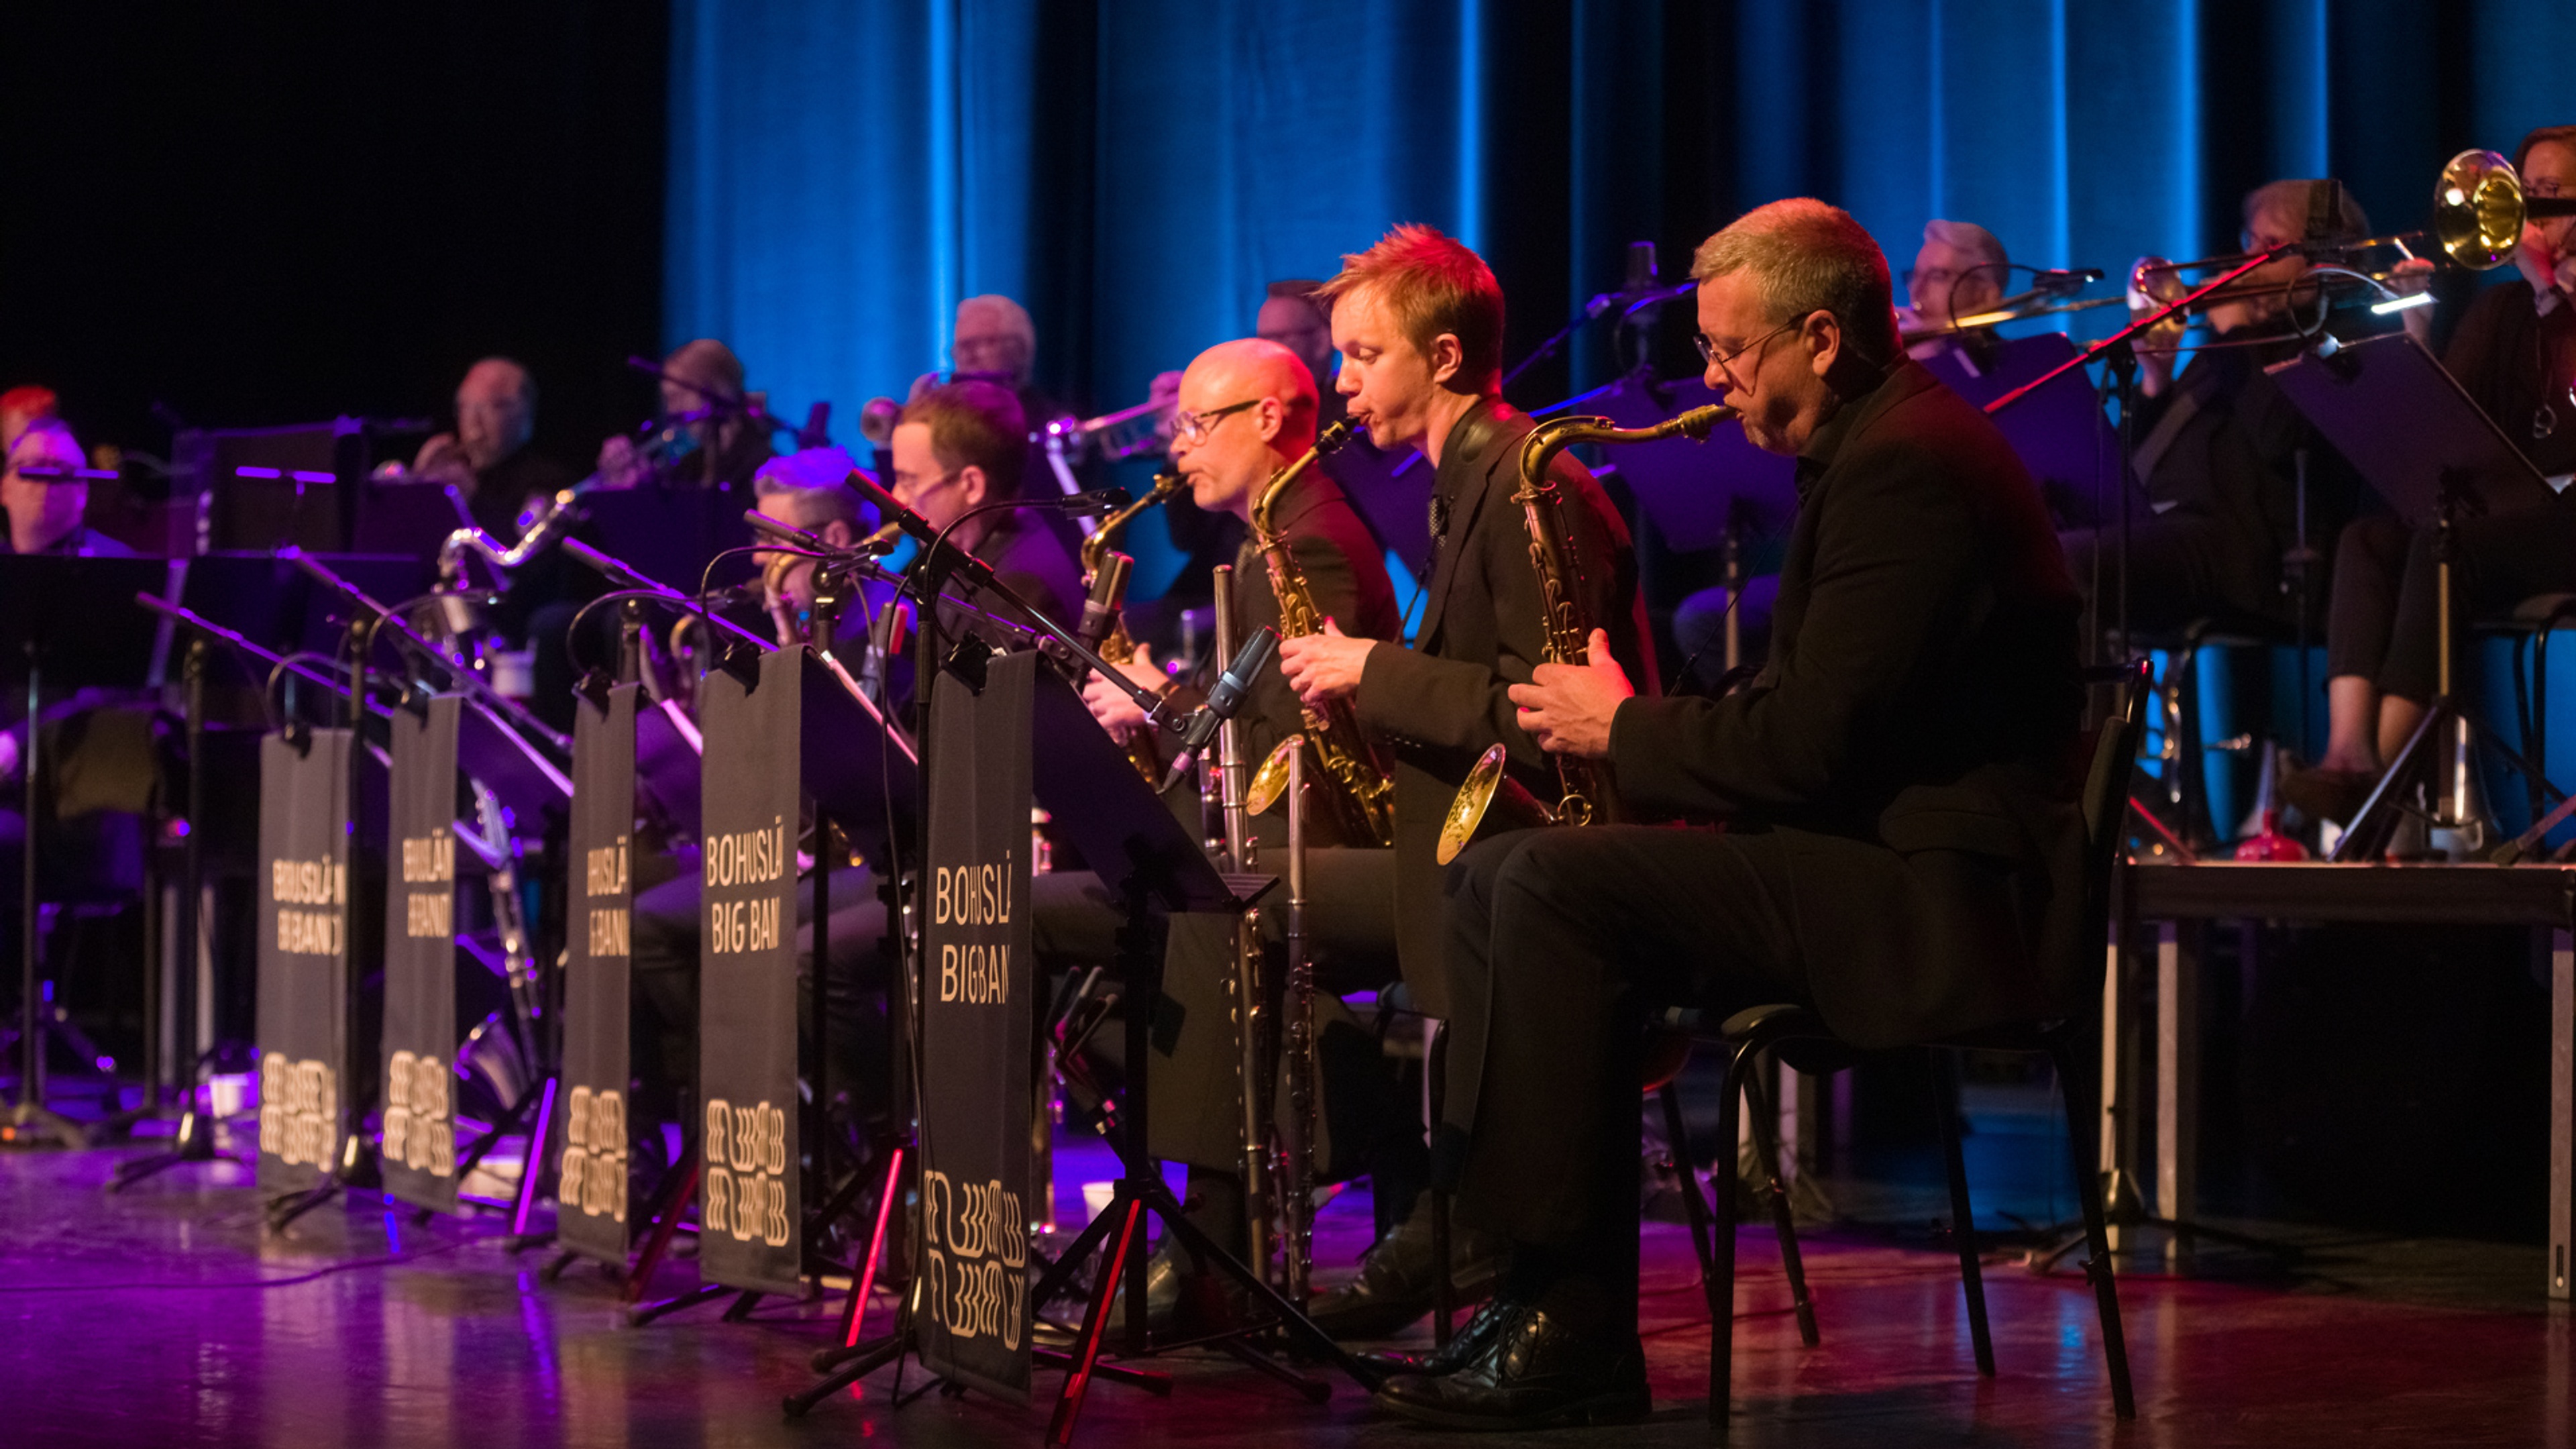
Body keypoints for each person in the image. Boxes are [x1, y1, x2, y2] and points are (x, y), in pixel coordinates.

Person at [1370, 199, 2084, 1430]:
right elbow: (1825, 716)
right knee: (1501, 873)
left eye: (1732, 352)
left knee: (1545, 881)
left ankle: (1578, 1323)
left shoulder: (1910, 464)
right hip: (1861, 855)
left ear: (1821, 335)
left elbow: (1811, 744)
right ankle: (1529, 1276)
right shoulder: (1879, 449)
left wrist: (1622, 730)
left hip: (1929, 901)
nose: (1711, 379)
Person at [1270, 224, 1656, 1335]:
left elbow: (1555, 723)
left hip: (1538, 870)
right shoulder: (1461, 482)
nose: (1337, 383)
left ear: (1441, 359)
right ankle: (1435, 1217)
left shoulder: (1532, 485)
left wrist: (1373, 672)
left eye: (1359, 355)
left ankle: (1458, 1223)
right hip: (1476, 866)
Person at [1074, 337, 1415, 1330]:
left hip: (1322, 842)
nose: (1179, 448)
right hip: (1270, 838)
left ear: (1268, 419)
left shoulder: (1307, 538)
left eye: (1196, 424)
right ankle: (1210, 1232)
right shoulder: (1273, 531)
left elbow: (1281, 748)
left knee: (1191, 922)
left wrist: (1157, 697)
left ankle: (1218, 1242)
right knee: (1137, 946)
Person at [2286, 126, 2576, 821]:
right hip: (2507, 513)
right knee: (2367, 539)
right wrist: (2415, 336)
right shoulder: (2500, 308)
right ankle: (2349, 753)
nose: (2531, 213)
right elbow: (2447, 422)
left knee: (2443, 546)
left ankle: (2383, 788)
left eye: (2550, 197)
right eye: (2523, 194)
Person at [2061, 179, 2379, 639]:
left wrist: (2233, 337)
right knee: (2040, 557)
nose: (2250, 259)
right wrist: (2157, 379)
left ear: (2320, 257)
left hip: (2239, 550)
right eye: (2251, 241)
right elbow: (2144, 460)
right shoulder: (2236, 342)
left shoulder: (2331, 337)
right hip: (2170, 526)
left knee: (2071, 565)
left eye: (2271, 245)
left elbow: (2280, 438)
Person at [409, 358, 574, 538]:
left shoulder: (549, 481)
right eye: (466, 406)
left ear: (524, 412)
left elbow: (524, 556)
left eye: (494, 406)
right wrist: (418, 486)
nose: (474, 422)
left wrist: (470, 500)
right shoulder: (453, 467)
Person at [597, 338, 775, 490]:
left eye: (677, 397)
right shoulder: (690, 468)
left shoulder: (765, 468)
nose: (672, 410)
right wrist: (638, 485)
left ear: (716, 391)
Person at [1900, 219, 2010, 362]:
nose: (1917, 290)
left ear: (1986, 296)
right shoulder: (1896, 359)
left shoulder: (2023, 367)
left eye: (1937, 277)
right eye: (1914, 277)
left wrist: (1926, 365)